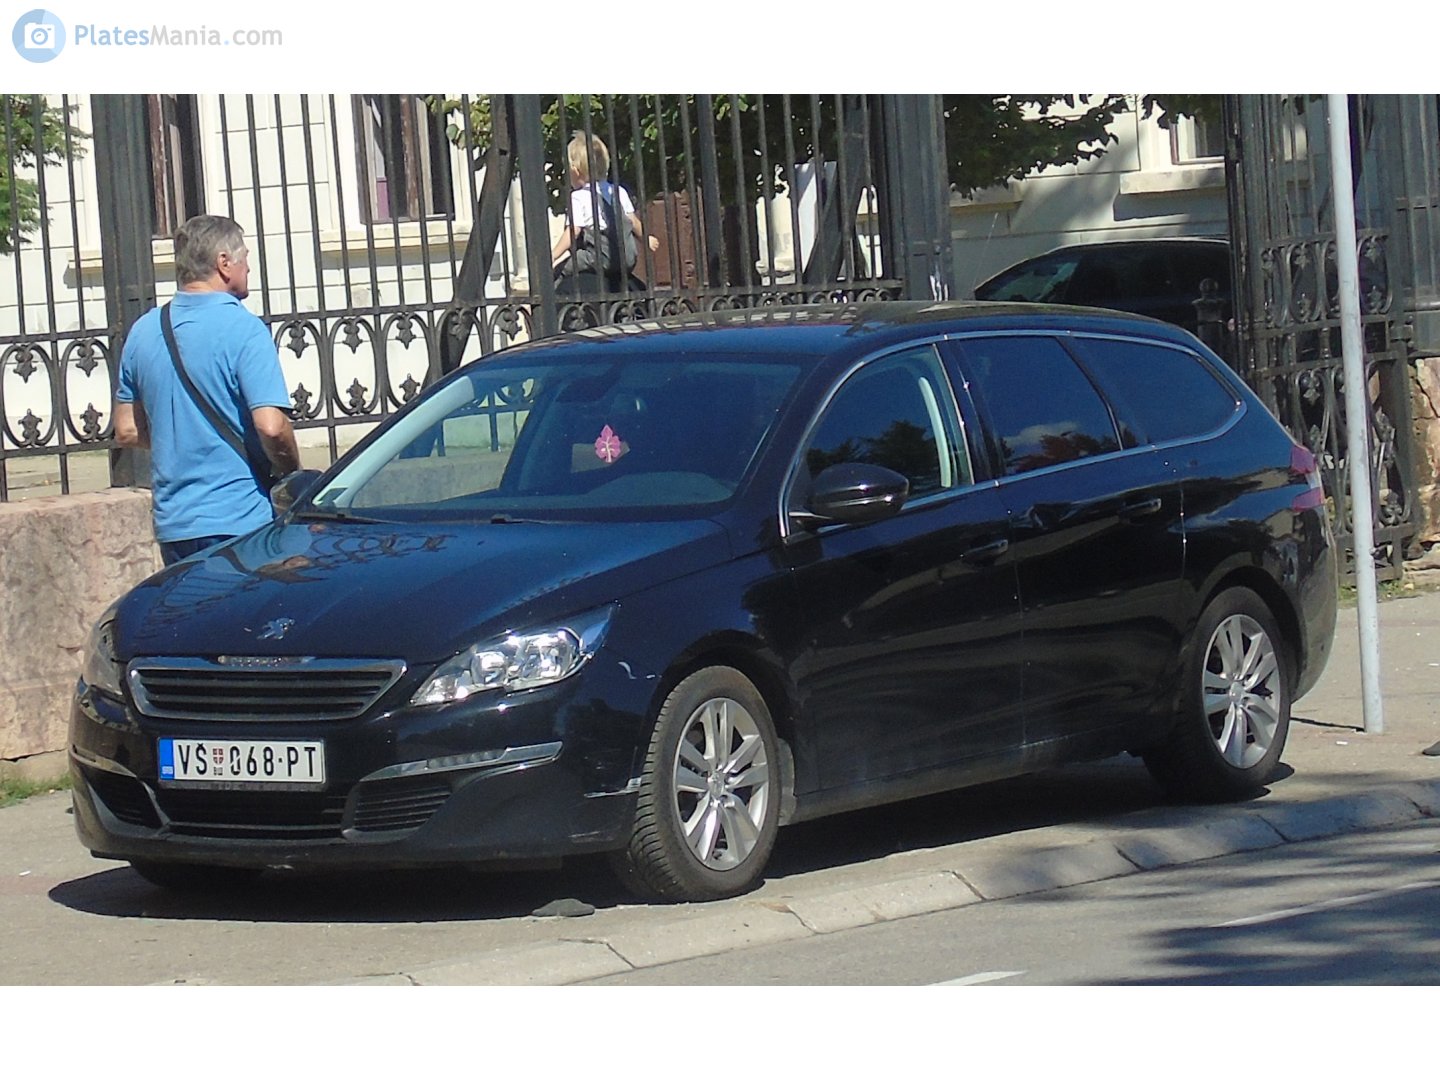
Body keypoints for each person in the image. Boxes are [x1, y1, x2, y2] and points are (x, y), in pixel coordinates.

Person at [113, 214, 301, 566]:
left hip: (175, 525)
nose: (249, 268)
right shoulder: (245, 329)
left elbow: (126, 429)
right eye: (245, 257)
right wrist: (293, 472)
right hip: (242, 518)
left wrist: (180, 436)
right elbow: (271, 427)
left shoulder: (143, 331)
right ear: (224, 264)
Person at [550, 131, 659, 291]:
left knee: (560, 271)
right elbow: (633, 222)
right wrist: (646, 239)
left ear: (575, 171)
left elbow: (573, 231)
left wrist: (554, 255)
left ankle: (549, 310)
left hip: (599, 256)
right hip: (627, 259)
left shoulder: (579, 197)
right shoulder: (618, 191)